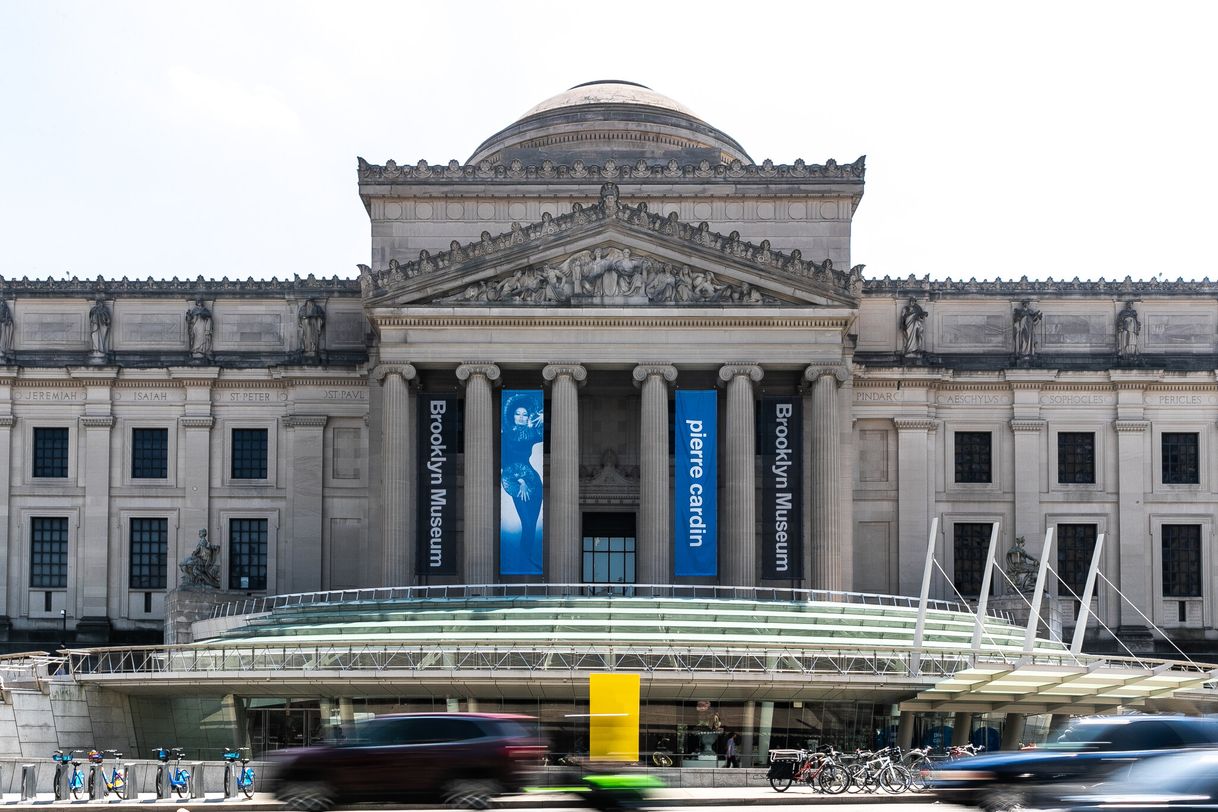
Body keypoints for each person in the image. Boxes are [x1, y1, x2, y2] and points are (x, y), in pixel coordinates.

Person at [500, 393, 545, 572]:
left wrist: (541, 417)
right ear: (512, 415)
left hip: (534, 482)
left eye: (524, 414)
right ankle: (525, 557)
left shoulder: (530, 433)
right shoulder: (505, 435)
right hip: (517, 481)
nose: (521, 417)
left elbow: (541, 434)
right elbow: (505, 462)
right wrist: (521, 480)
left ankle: (528, 557)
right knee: (526, 521)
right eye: (518, 413)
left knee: (531, 522)